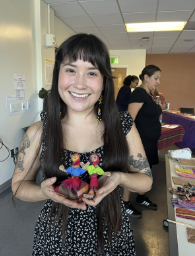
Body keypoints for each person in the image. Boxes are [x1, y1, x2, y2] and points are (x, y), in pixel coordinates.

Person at [12, 34, 153, 256]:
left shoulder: (122, 126)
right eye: (70, 69)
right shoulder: (41, 131)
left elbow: (145, 182)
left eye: (91, 72)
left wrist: (120, 178)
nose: (79, 83)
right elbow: (18, 186)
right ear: (58, 74)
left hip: (112, 234)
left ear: (104, 80)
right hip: (57, 238)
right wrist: (44, 192)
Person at [123, 65, 162, 218]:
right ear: (146, 77)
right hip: (140, 142)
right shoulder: (138, 94)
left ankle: (140, 196)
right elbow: (129, 120)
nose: (158, 82)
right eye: (156, 78)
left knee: (146, 170)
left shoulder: (148, 94)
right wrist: (133, 144)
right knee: (133, 170)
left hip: (150, 142)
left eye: (159, 79)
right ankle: (125, 203)